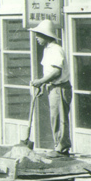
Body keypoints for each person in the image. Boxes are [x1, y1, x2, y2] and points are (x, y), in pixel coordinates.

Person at [29, 19, 72, 158]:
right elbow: (49, 72)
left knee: (60, 118)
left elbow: (56, 72)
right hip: (53, 87)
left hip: (60, 88)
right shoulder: (48, 50)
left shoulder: (55, 49)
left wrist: (40, 82)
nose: (36, 38)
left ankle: (62, 148)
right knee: (55, 117)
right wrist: (44, 84)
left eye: (39, 35)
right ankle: (58, 146)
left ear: (47, 36)